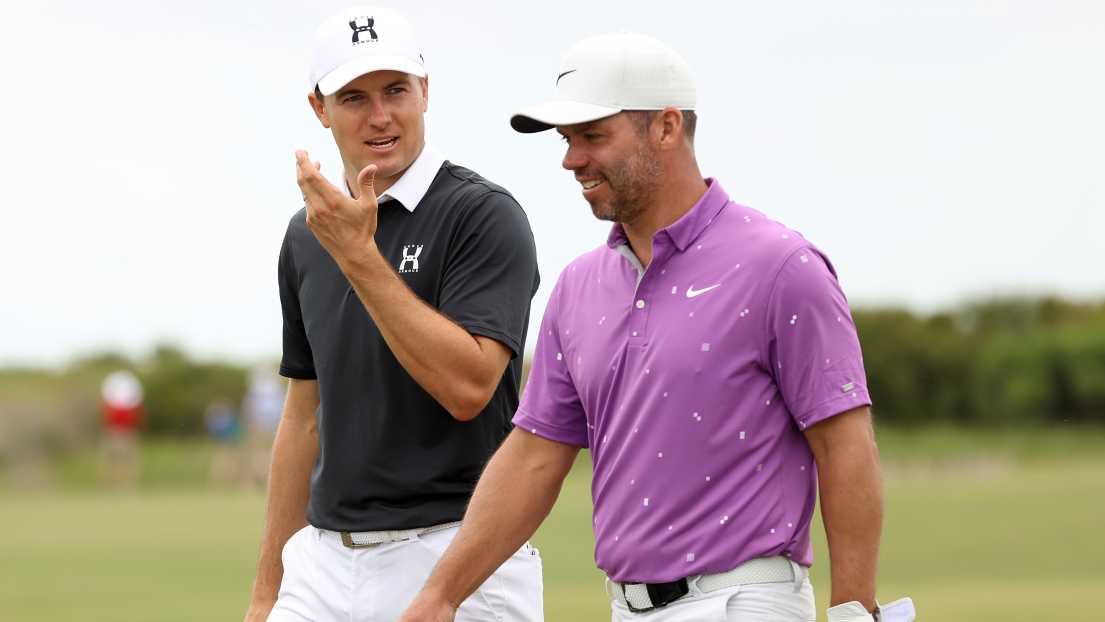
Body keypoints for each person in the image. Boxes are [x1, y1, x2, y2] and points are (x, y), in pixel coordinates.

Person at [400, 32, 887, 622]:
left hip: (744, 601)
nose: (571, 159)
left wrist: (856, 611)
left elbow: (843, 445)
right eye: (567, 140)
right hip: (626, 607)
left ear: (666, 127)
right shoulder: (578, 286)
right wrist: (440, 595)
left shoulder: (781, 267)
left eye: (593, 136)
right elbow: (532, 457)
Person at [244, 7, 542, 622]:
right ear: (318, 109)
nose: (380, 116)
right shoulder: (307, 235)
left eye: (396, 91)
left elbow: (469, 388)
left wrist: (358, 256)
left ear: (426, 92)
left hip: (457, 556)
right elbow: (304, 416)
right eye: (353, 98)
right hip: (322, 563)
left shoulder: (482, 215)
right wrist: (267, 594)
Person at [99, 370, 144, 489]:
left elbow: (138, 416)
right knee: (115, 460)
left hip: (129, 432)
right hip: (115, 432)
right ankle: (113, 485)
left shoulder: (132, 401)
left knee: (129, 461)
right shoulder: (112, 401)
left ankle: (129, 485)